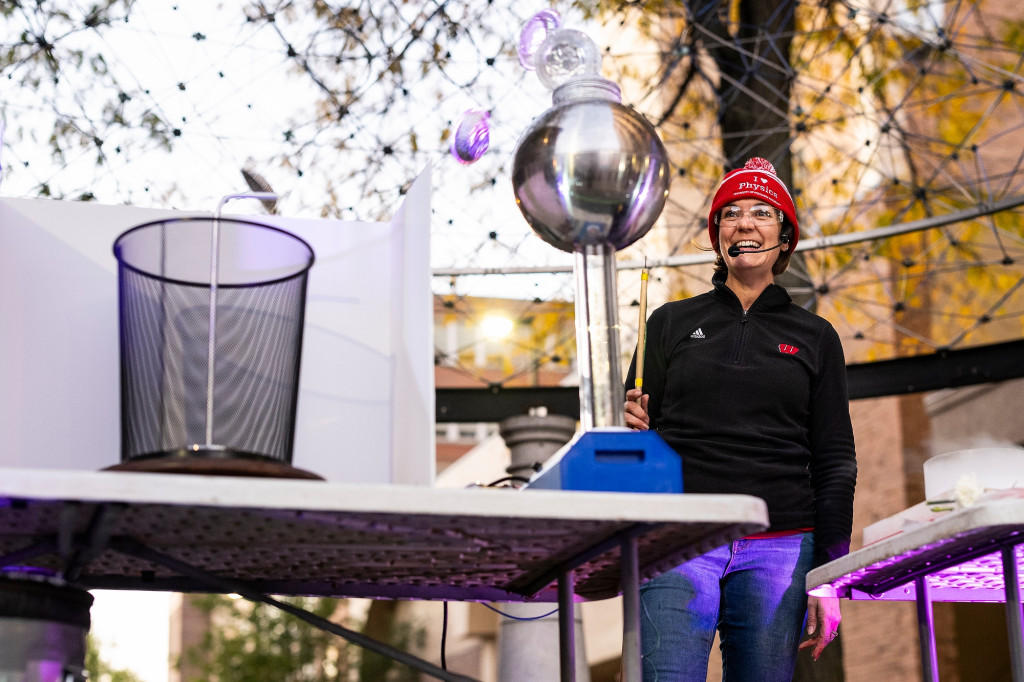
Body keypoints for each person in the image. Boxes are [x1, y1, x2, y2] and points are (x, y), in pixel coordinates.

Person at [623, 157, 857, 682]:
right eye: (730, 213)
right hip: (678, 536)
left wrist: (829, 575)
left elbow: (836, 460)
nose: (744, 223)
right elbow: (630, 440)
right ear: (716, 235)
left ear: (785, 235)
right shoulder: (666, 323)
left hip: (781, 546)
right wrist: (628, 421)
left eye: (760, 212)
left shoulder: (817, 336)